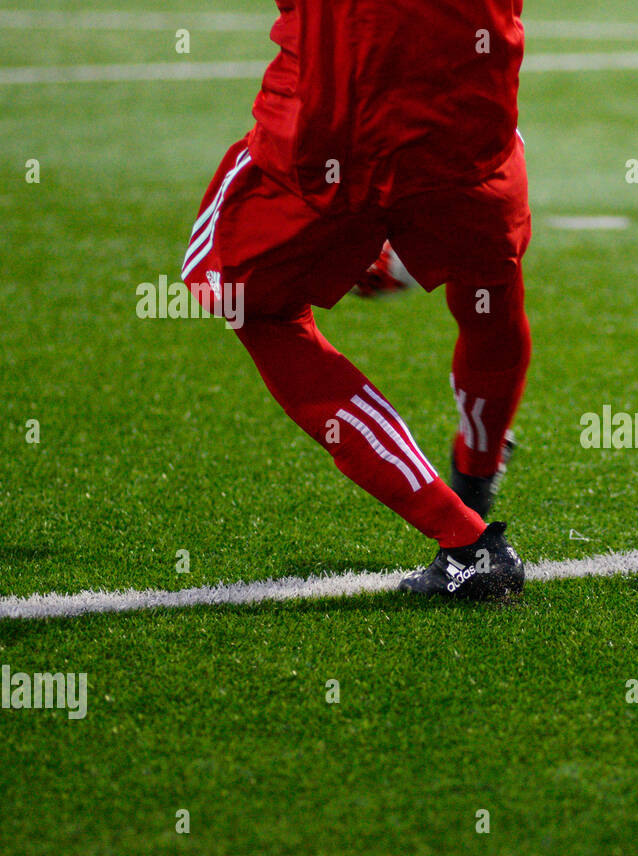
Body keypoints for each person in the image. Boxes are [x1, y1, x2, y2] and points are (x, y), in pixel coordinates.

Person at [181, 1, 531, 599]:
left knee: (254, 306)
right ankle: (478, 464)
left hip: (329, 136)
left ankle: (465, 541)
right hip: (469, 129)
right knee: (488, 289)